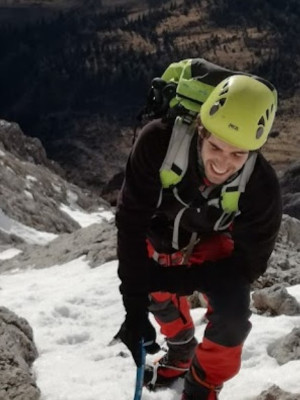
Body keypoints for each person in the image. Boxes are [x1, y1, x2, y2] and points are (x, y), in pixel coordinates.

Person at [114, 74, 283, 399]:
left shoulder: (260, 186)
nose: (222, 164)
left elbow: (246, 267)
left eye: (238, 155)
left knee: (233, 314)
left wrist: (178, 278)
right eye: (216, 146)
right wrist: (134, 309)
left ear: (253, 151)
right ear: (201, 130)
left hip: (212, 240)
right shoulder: (159, 142)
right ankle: (181, 353)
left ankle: (203, 385)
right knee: (153, 292)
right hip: (159, 230)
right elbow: (130, 223)